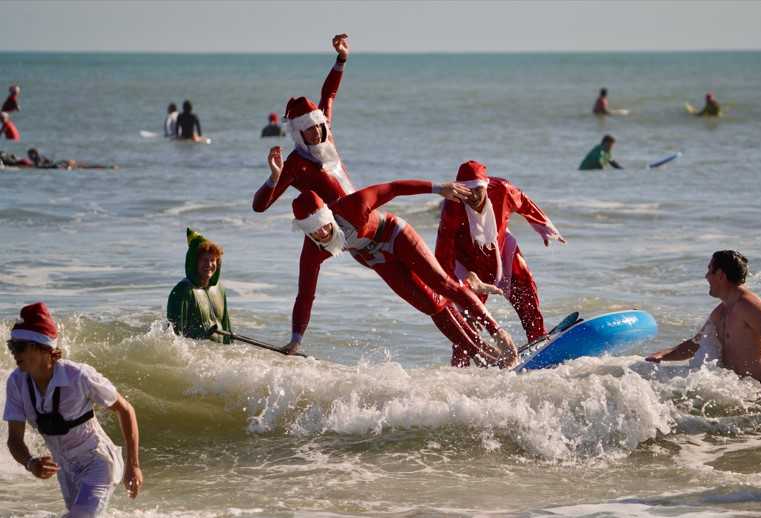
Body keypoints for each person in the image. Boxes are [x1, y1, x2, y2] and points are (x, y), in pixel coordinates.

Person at [286, 179, 519, 368]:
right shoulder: (312, 251)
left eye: (324, 226)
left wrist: (438, 189)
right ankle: (484, 356)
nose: (323, 234)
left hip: (395, 234)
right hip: (375, 257)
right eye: (315, 232)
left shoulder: (352, 206)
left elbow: (394, 188)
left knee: (442, 285)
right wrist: (296, 340)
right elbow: (305, 296)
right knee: (432, 306)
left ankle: (499, 335)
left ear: (327, 217)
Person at [4, 302, 143, 515]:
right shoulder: (16, 382)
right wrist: (30, 463)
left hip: (98, 463)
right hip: (65, 471)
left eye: (20, 347)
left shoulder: (79, 376)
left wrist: (133, 465)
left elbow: (125, 410)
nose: (14, 353)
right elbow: (14, 439)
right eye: (11, 346)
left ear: (43, 348)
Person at [435, 161, 565, 362]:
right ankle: (459, 369)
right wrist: (449, 285)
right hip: (468, 266)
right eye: (466, 191)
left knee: (526, 292)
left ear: (485, 184)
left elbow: (523, 202)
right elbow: (443, 251)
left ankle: (539, 341)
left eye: (478, 189)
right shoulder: (452, 207)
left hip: (501, 251)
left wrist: (544, 226)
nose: (473, 196)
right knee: (468, 323)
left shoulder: (503, 190)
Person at [645, 250, 761, 398]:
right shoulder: (720, 312)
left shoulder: (747, 306)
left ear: (720, 274)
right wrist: (663, 355)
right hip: (736, 390)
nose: (706, 276)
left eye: (709, 270)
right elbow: (696, 344)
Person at [252, 33, 355, 214]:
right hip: (334, 231)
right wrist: (274, 177)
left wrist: (342, 58)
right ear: (299, 133)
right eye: (309, 129)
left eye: (317, 126)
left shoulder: (325, 133)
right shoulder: (295, 164)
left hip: (362, 212)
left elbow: (328, 94)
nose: (316, 132)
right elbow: (259, 207)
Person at [167, 228, 232, 343]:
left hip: (219, 357)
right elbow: (173, 339)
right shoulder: (183, 291)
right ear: (194, 262)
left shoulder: (219, 289)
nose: (209, 264)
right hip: (197, 356)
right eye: (204, 260)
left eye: (212, 260)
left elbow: (226, 329)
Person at [23, 148, 116, 170]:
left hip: (63, 164)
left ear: (33, 154)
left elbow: (41, 166)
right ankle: (109, 167)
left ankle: (109, 167)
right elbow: (49, 161)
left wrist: (32, 166)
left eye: (29, 155)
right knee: (87, 166)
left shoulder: (37, 158)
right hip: (64, 162)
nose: (29, 157)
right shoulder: (41, 157)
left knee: (87, 167)